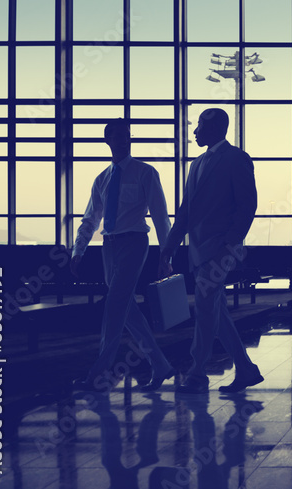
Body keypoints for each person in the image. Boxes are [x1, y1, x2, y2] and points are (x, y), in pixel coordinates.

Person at [160, 108, 263, 394]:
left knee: (205, 308)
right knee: (215, 311)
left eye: (199, 127)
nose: (194, 132)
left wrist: (230, 243)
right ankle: (246, 370)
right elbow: (186, 211)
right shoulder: (196, 165)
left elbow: (247, 205)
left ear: (215, 127)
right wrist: (168, 247)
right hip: (199, 250)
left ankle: (197, 373)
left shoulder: (236, 159)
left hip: (220, 249)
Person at [70, 119, 176, 393]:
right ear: (107, 139)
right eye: (119, 136)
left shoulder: (145, 173)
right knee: (127, 309)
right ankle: (161, 365)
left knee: (114, 306)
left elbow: (161, 216)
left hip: (135, 242)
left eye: (128, 136)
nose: (124, 141)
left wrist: (167, 254)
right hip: (109, 246)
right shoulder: (102, 179)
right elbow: (90, 219)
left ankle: (98, 374)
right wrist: (78, 250)